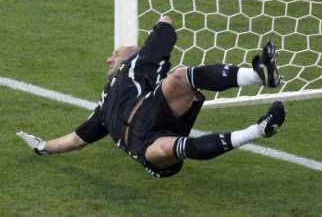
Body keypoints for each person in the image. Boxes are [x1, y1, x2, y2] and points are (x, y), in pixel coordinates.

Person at [16, 15, 286, 178]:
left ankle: (258, 76)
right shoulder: (102, 110)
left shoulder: (140, 63)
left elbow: (167, 25)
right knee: (167, 149)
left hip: (156, 108)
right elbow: (75, 141)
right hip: (145, 143)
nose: (109, 58)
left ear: (132, 52)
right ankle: (258, 131)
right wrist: (43, 147)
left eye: (116, 52)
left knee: (179, 77)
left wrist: (148, 40)